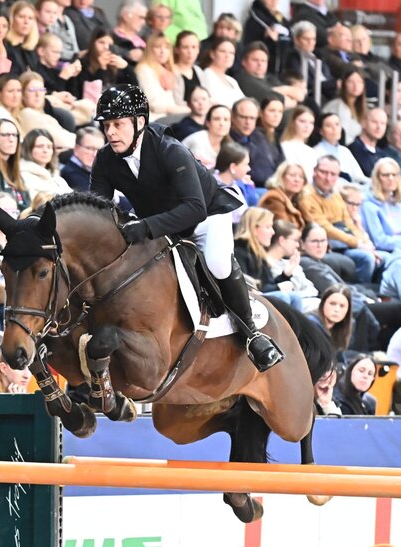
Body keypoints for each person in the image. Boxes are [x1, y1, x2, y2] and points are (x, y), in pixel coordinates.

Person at [90, 84, 281, 371]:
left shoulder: (170, 150)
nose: (110, 132)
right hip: (162, 223)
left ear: (139, 122)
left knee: (217, 263)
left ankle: (251, 333)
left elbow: (194, 208)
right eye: (106, 126)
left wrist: (145, 226)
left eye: (118, 124)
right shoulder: (105, 159)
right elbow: (99, 208)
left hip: (206, 216)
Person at [298, 155, 379, 284]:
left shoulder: (335, 194)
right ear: (314, 171)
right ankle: (358, 291)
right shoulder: (306, 196)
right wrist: (357, 243)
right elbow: (326, 228)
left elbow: (348, 223)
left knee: (386, 258)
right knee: (367, 258)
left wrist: (364, 243)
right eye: (323, 172)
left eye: (333, 174)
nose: (328, 178)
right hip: (328, 245)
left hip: (345, 243)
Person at [135, 31, 189, 121]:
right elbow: (155, 104)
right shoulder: (144, 69)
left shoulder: (169, 70)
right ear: (150, 49)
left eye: (167, 48)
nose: (163, 51)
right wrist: (187, 111)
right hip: (156, 119)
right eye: (158, 47)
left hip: (171, 116)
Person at [360, 157, 401, 253]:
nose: (391, 178)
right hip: (386, 253)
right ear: (377, 178)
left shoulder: (397, 204)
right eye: (386, 175)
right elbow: (379, 241)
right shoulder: (369, 205)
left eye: (394, 175)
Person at [0, 118, 30, 211]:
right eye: (5, 135)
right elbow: (0, 203)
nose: (11, 139)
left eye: (15, 135)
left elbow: (26, 202)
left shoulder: (13, 169)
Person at [314, 112, 368, 186]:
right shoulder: (316, 151)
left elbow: (359, 177)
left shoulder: (345, 151)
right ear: (321, 131)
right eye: (329, 126)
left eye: (337, 124)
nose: (334, 129)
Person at [20, 129, 72, 200]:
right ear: (28, 149)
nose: (45, 150)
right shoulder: (23, 176)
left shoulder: (57, 179)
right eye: (40, 146)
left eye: (49, 147)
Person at [322, 69, 367, 146]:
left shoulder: (360, 109)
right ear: (343, 84)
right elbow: (342, 137)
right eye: (351, 81)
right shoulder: (338, 106)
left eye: (359, 82)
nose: (356, 85)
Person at [181, 104, 231, 170]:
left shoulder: (228, 144)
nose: (222, 123)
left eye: (226, 119)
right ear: (208, 123)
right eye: (216, 119)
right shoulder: (198, 141)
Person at [278, 105, 318, 181]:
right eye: (302, 121)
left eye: (311, 123)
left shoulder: (313, 152)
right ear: (293, 122)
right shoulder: (284, 147)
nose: (307, 126)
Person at [348, 108, 389, 177]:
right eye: (374, 122)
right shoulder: (353, 149)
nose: (379, 127)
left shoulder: (383, 155)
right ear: (363, 123)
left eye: (383, 123)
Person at [60, 126, 105, 192]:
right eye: (90, 148)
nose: (95, 154)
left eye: (99, 150)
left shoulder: (96, 171)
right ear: (76, 148)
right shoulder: (70, 174)